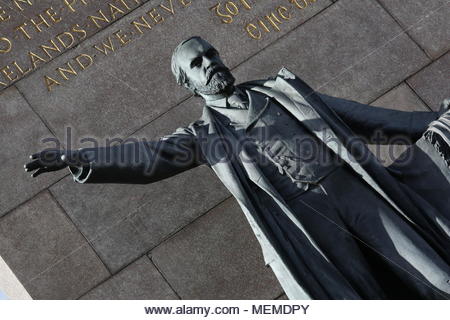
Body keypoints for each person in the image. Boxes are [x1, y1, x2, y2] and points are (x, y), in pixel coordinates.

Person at [25, 36, 450, 299]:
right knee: (362, 302)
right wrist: (81, 159)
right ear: (188, 85)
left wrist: (434, 122)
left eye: (210, 53)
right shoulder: (203, 136)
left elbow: (365, 118)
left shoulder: (282, 91)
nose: (210, 62)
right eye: (198, 63)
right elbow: (150, 158)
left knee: (435, 278)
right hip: (306, 223)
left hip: (353, 194)